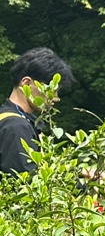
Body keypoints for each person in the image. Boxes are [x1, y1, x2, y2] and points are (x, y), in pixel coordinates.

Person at [1, 47, 73, 175]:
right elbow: (27, 184)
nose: (56, 98)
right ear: (27, 83)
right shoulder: (16, 127)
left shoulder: (7, 118)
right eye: (52, 89)